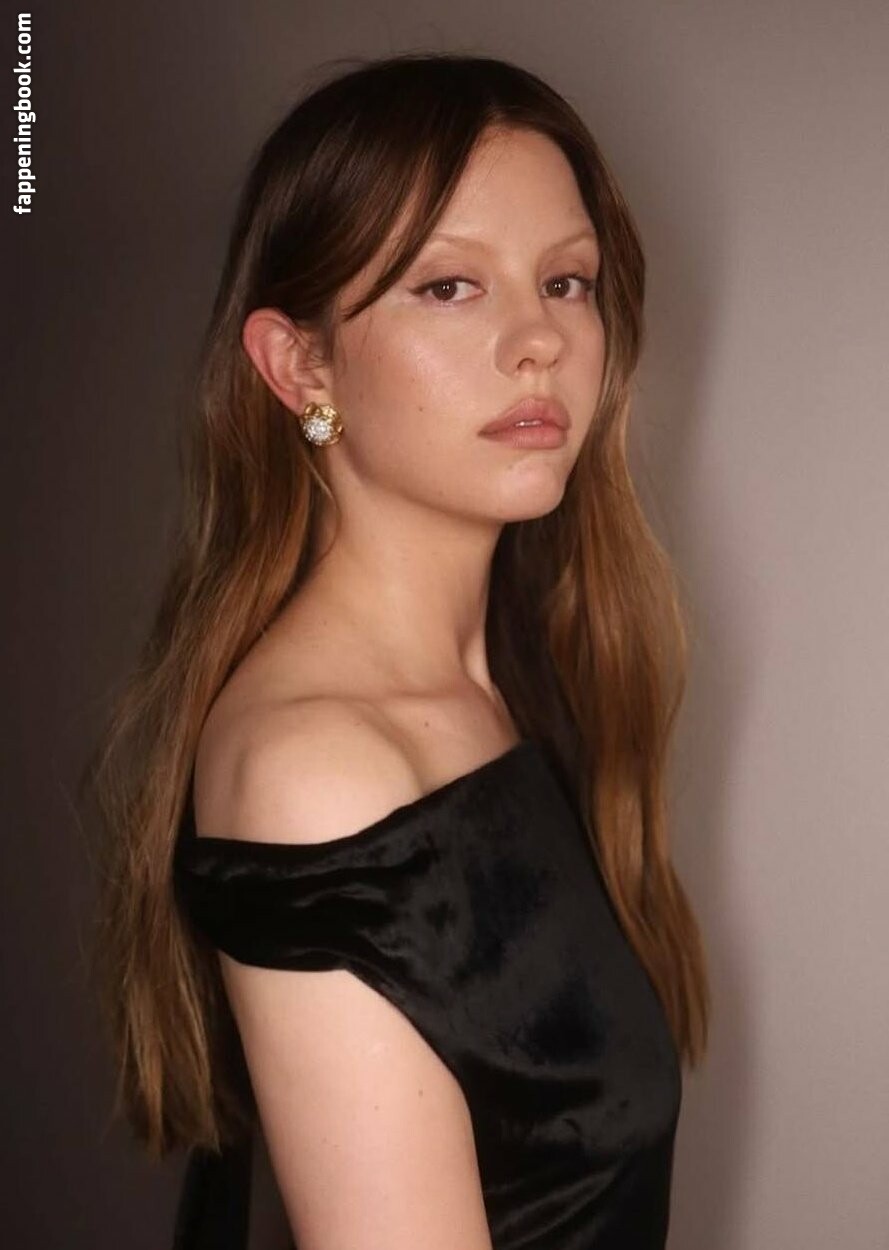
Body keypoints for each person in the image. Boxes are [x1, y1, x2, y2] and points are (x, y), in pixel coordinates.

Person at [84, 52, 710, 1250]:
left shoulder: (520, 673)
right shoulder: (320, 775)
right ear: (300, 365)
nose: (538, 339)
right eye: (448, 286)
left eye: (566, 280)